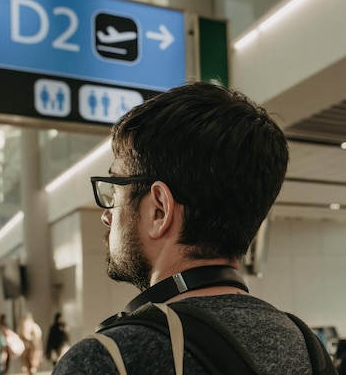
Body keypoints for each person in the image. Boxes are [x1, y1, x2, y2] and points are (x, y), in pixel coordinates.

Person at [52, 82, 320, 374]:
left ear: (159, 209)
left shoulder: (108, 360)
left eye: (115, 191)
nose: (107, 215)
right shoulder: (305, 345)